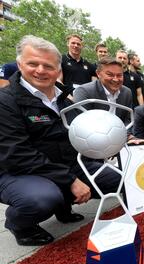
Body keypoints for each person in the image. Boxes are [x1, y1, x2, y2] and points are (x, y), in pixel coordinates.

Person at [0, 35, 120, 246]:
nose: (40, 70)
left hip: (66, 165)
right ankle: (20, 225)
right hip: (18, 172)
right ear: (19, 64)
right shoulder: (5, 101)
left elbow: (80, 136)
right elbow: (17, 155)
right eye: (32, 64)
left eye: (47, 65)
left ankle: (64, 206)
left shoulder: (66, 98)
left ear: (58, 69)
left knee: (117, 179)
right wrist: (71, 181)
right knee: (41, 199)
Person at [73, 57, 132, 124]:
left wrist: (126, 133)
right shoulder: (84, 92)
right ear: (98, 74)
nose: (116, 79)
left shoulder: (127, 93)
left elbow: (128, 120)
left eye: (119, 75)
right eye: (110, 75)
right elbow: (82, 123)